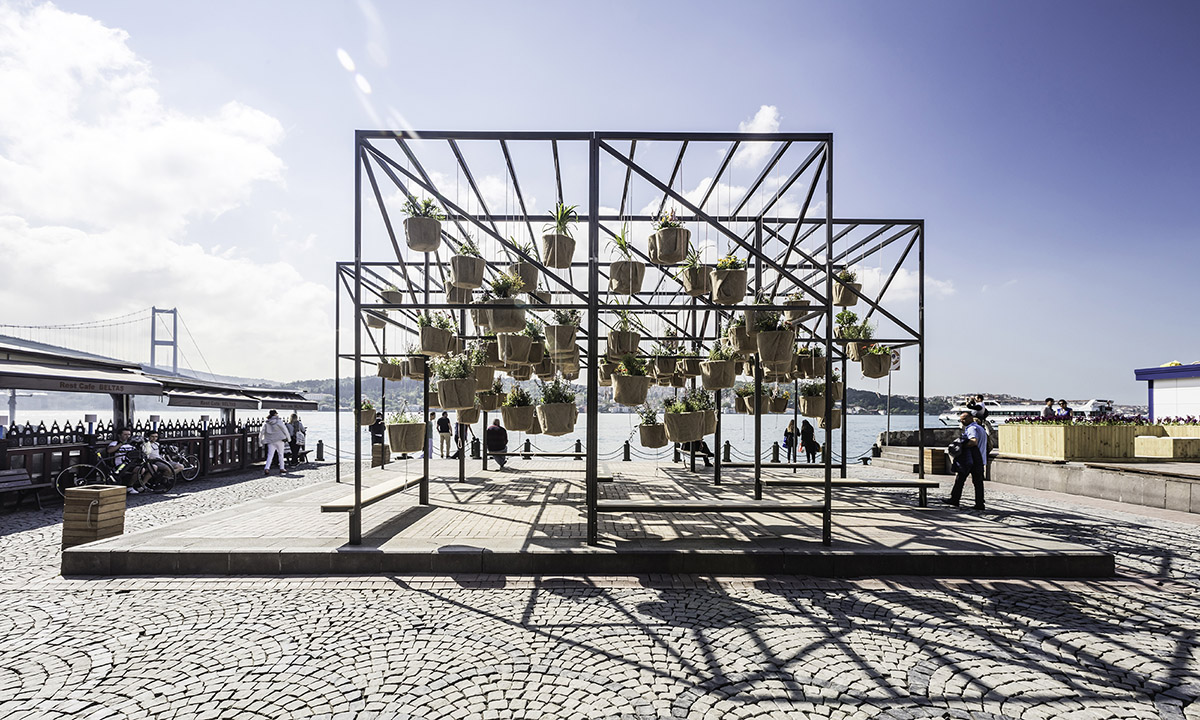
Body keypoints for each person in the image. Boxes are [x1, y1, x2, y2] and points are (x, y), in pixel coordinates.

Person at [946, 411, 987, 511]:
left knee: (960, 479)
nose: (962, 421)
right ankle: (979, 503)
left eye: (964, 419)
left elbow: (973, 441)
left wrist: (960, 446)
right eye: (960, 419)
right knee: (978, 482)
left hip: (972, 459)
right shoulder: (980, 428)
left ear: (970, 418)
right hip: (980, 458)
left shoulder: (972, 428)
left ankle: (955, 499)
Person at [106, 428, 141, 492]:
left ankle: (139, 485)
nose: (127, 436)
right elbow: (109, 451)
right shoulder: (115, 443)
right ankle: (130, 487)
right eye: (125, 434)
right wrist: (121, 444)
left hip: (130, 463)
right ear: (119, 435)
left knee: (143, 468)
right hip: (120, 465)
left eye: (129, 434)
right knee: (139, 469)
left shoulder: (131, 444)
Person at [259, 410, 292, 475]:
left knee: (270, 455)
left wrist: (260, 441)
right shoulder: (279, 421)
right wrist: (289, 438)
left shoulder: (266, 422)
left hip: (270, 440)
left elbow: (261, 432)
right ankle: (282, 468)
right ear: (276, 414)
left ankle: (267, 468)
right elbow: (284, 429)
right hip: (279, 440)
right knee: (280, 454)